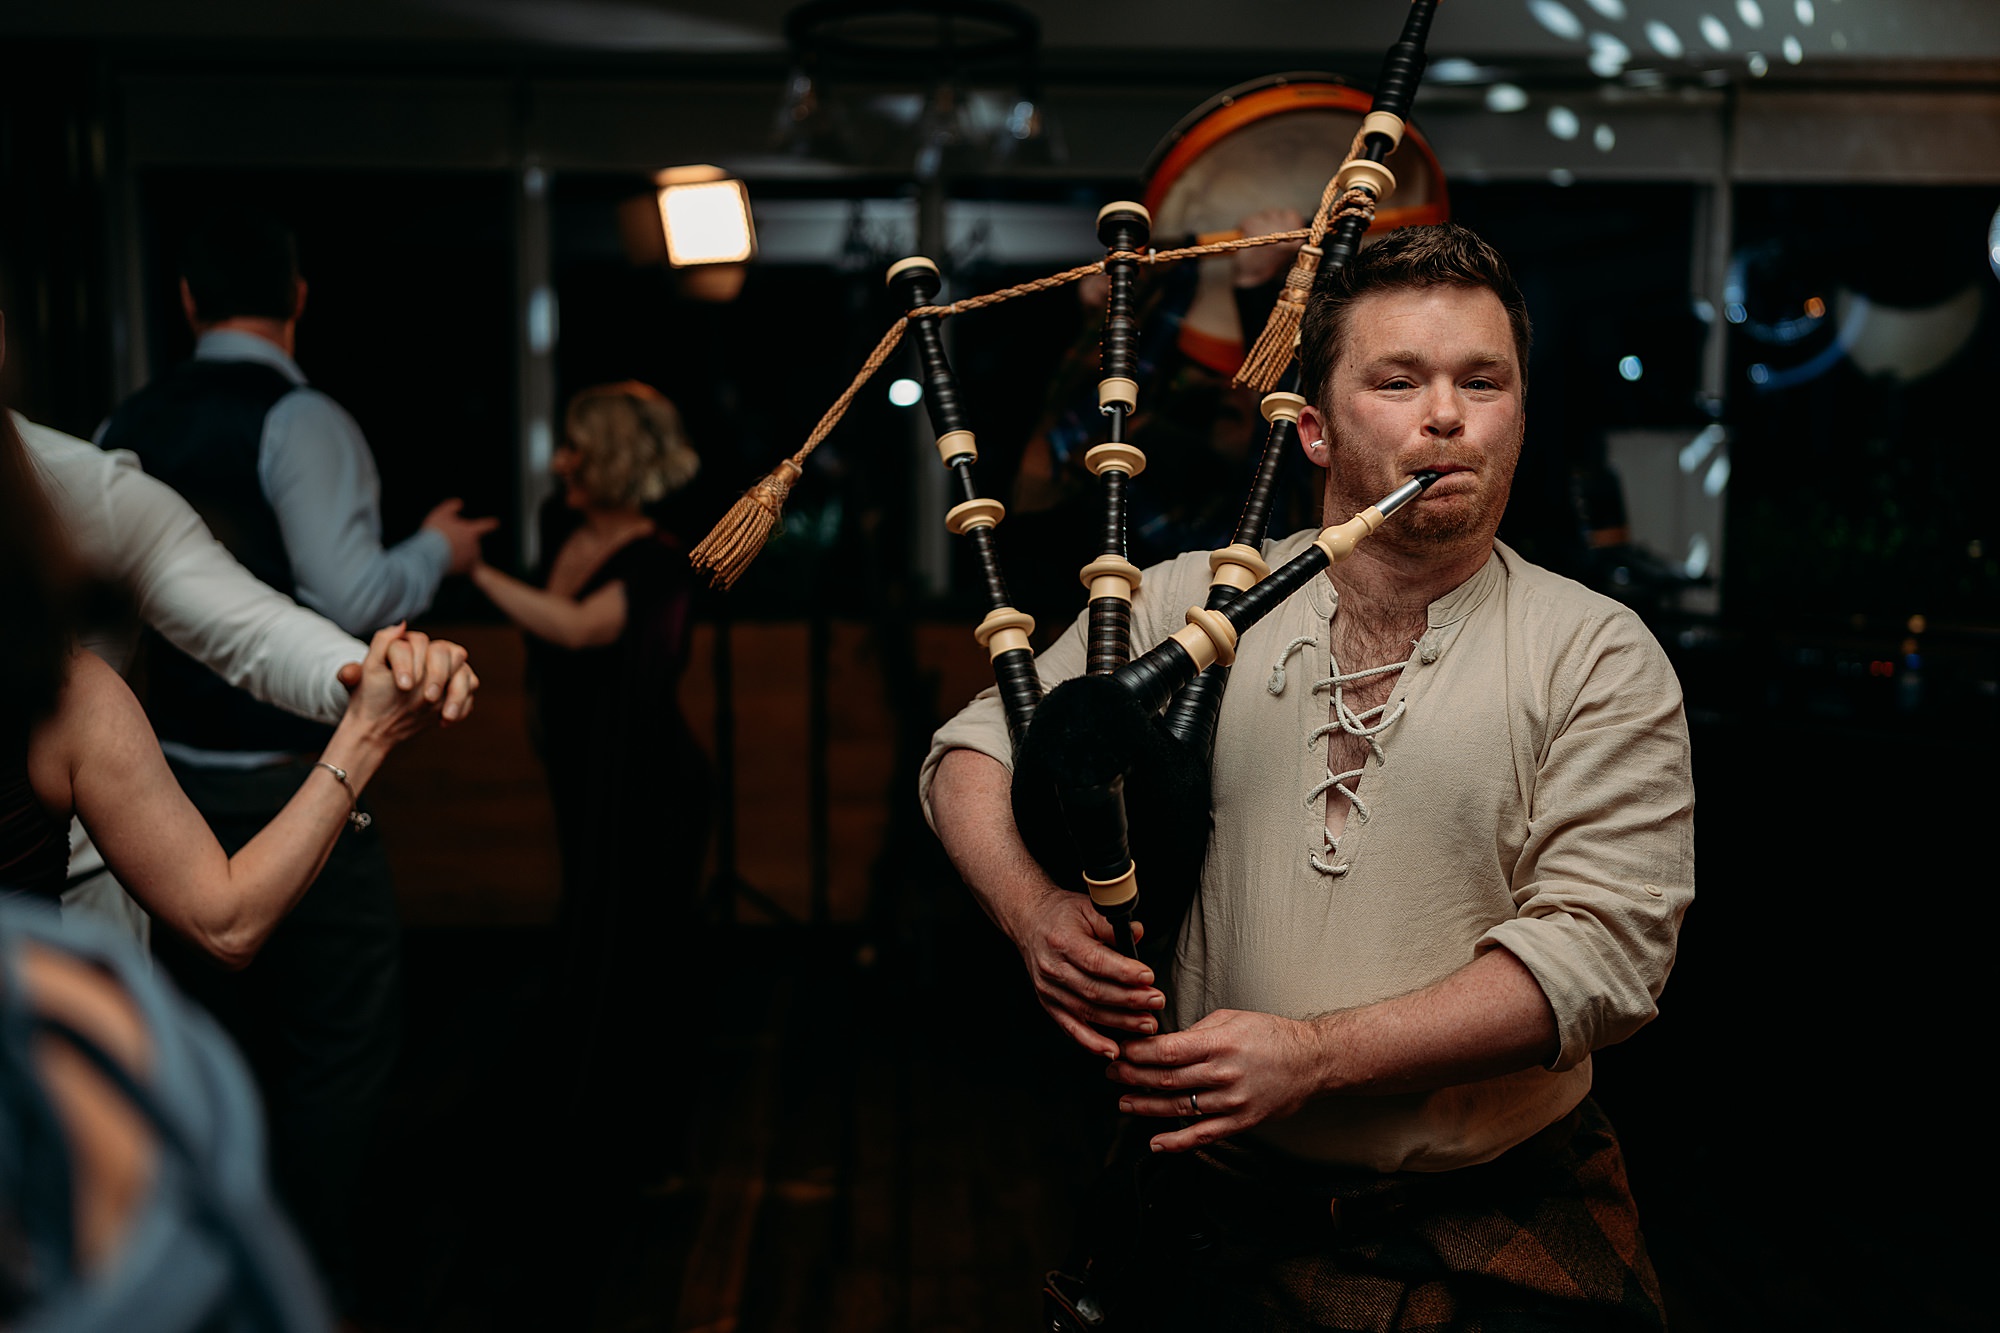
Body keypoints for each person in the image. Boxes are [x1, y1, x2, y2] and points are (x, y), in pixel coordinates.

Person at [921, 224, 1694, 1329]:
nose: (1445, 415)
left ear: (1518, 409)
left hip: (1491, 1213)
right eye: (1398, 380)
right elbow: (972, 747)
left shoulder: (1596, 651)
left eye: (1483, 381)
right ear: (1316, 432)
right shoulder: (1190, 600)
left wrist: (1315, 1056)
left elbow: (1602, 956)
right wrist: (1035, 913)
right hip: (1211, 1209)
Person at [92, 213, 495, 1306]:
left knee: (203, 1049)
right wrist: (438, 553)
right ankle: (310, 1279)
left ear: (184, 300)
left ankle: (217, 1270)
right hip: (287, 783)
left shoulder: (119, 425)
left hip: (153, 790)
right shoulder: (303, 418)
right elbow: (352, 601)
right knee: (341, 1044)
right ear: (299, 298)